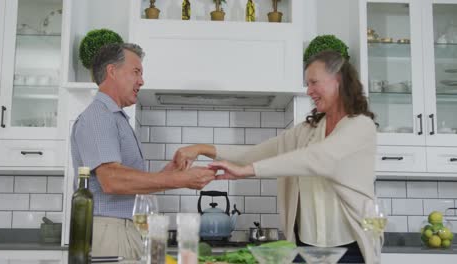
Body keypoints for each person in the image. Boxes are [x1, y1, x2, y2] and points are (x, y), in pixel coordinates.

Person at [173, 50, 377, 263]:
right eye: (307, 84)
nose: (309, 91)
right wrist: (202, 148)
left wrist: (247, 172)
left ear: (338, 80)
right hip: (304, 250)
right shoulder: (306, 131)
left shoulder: (360, 126)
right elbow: (252, 154)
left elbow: (319, 159)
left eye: (314, 82)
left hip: (350, 251)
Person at [70, 43, 216, 259]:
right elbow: (112, 180)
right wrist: (182, 180)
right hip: (111, 232)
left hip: (123, 231)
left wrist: (170, 173)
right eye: (136, 72)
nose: (141, 81)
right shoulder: (99, 117)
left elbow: (128, 182)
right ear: (112, 71)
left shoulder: (114, 118)